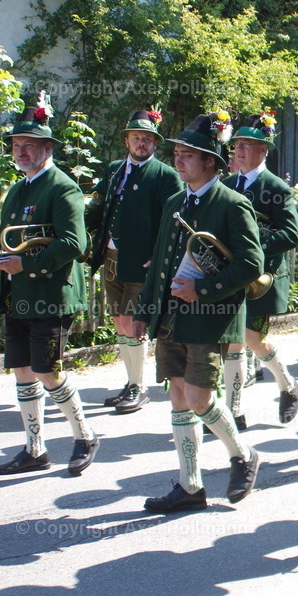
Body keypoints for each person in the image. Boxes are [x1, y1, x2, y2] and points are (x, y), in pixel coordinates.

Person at [133, 111, 263, 512]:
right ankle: (190, 486)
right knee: (178, 395)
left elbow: (251, 265)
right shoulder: (176, 201)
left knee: (198, 397)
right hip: (171, 315)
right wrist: (144, 310)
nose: (178, 160)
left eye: (187, 155)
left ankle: (243, 455)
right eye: (177, 153)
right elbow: (161, 261)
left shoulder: (232, 204)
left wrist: (202, 290)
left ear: (210, 161)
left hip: (209, 316)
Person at [0, 94, 100, 475]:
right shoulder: (17, 190)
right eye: (16, 145)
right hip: (18, 294)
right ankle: (35, 449)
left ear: (47, 148)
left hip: (51, 294)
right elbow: (7, 243)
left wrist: (26, 264)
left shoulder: (62, 187)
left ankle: (85, 436)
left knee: (48, 372)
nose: (20, 151)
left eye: (28, 145)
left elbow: (75, 244)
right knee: (22, 369)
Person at [86, 109, 182, 414]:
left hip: (142, 262)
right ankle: (130, 382)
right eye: (136, 137)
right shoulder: (114, 170)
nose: (141, 143)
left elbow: (175, 221)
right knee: (119, 322)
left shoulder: (165, 175)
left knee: (133, 323)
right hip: (111, 257)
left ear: (155, 143)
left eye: (147, 139)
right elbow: (98, 208)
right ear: (126, 140)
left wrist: (160, 256)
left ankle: (138, 387)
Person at [222, 111, 298, 429]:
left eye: (247, 144)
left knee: (252, 339)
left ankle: (287, 385)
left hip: (261, 278)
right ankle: (234, 412)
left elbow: (291, 235)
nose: (239, 150)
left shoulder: (276, 187)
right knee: (234, 341)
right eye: (238, 144)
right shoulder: (227, 184)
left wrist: (251, 247)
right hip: (230, 275)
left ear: (263, 150)